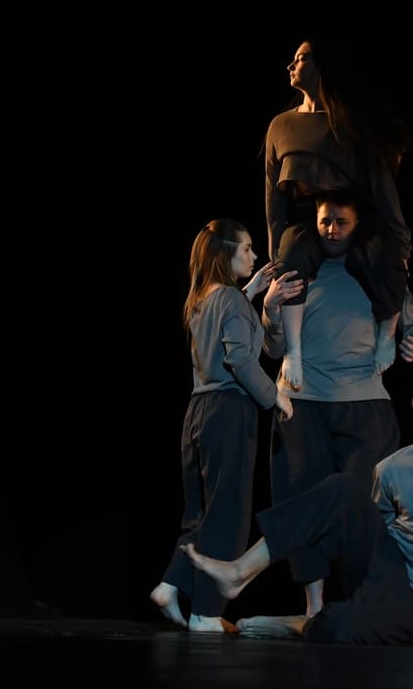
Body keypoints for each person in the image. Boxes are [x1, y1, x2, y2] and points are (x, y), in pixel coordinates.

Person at [182, 357, 413, 649]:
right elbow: (371, 528)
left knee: (344, 627)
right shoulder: (394, 468)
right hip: (385, 569)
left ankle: (302, 624)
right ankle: (241, 570)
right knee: (342, 489)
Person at [262, 189, 413, 616]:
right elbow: (273, 347)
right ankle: (314, 607)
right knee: (301, 496)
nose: (332, 231)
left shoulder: (377, 271)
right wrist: (269, 309)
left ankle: (359, 600)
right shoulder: (302, 270)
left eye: (341, 222)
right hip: (303, 399)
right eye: (325, 222)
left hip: (364, 400)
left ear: (357, 225)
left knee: (361, 500)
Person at [149, 218, 304, 633]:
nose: (254, 256)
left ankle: (171, 583)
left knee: (200, 513)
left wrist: (255, 295)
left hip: (197, 412)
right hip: (228, 411)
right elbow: (238, 358)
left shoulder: (200, 299)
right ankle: (205, 612)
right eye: (247, 249)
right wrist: (275, 397)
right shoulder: (232, 300)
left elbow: (234, 328)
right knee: (228, 514)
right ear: (225, 254)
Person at [265, 37, 413, 390]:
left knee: (384, 255)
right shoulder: (281, 125)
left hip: (354, 218)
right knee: (291, 257)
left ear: (321, 64)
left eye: (300, 58)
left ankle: (385, 334)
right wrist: (275, 254)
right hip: (309, 220)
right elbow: (273, 196)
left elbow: (381, 185)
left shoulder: (351, 121)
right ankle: (294, 351)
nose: (291, 65)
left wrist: (402, 243)